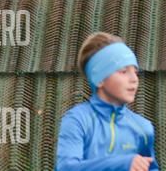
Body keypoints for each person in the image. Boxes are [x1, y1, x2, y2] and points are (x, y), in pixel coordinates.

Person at [55, 32, 159, 171]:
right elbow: (66, 168)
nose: (134, 79)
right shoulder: (77, 120)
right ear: (99, 78)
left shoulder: (143, 127)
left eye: (135, 72)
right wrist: (122, 164)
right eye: (123, 71)